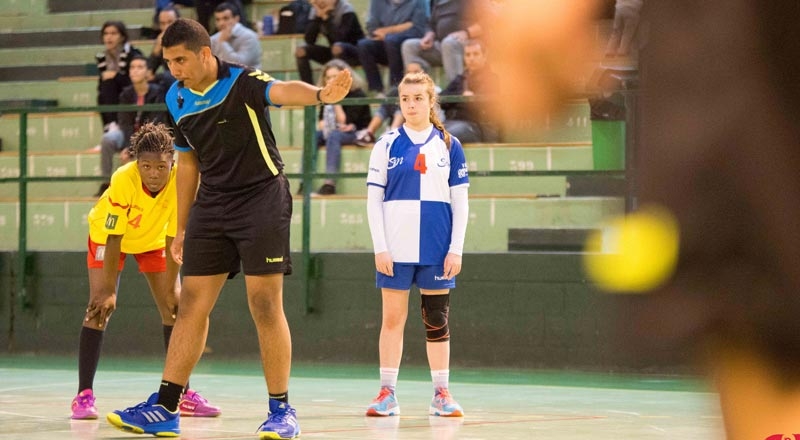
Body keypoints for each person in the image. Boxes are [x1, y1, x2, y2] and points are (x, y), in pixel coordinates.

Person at [106, 18, 352, 439]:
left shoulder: (242, 81)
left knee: (263, 303)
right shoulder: (177, 96)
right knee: (191, 304)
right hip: (213, 204)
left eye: (180, 60)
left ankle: (281, 411)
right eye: (168, 62)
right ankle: (166, 406)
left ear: (205, 54)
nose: (174, 69)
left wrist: (321, 96)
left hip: (261, 198)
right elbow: (187, 162)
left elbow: (281, 91)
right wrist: (181, 227)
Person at [72, 122, 220, 421]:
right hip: (108, 238)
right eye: (146, 166)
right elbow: (114, 236)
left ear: (172, 163)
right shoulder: (123, 179)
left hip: (153, 240)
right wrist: (111, 290)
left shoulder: (184, 180)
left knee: (175, 307)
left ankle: (182, 394)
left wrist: (171, 290)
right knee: (99, 306)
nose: (153, 173)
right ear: (136, 163)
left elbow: (174, 235)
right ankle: (84, 396)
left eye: (161, 166)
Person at [364, 71, 470, 418]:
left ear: (431, 101)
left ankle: (441, 393)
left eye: (418, 98)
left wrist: (456, 248)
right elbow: (373, 201)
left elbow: (461, 202)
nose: (411, 105)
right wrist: (380, 247)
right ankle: (387, 393)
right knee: (392, 319)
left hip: (437, 249)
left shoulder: (450, 145)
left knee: (436, 320)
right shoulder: (386, 144)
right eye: (405, 99)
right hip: (395, 249)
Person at [95, 55, 168, 196]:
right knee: (108, 139)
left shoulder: (157, 92)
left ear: (147, 72)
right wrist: (128, 146)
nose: (135, 71)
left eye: (140, 67)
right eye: (132, 67)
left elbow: (156, 122)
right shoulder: (126, 94)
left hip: (149, 136)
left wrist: (133, 149)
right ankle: (105, 183)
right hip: (128, 134)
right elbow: (124, 122)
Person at [312, 59, 371, 195]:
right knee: (313, 136)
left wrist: (335, 101)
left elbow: (346, 122)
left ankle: (329, 184)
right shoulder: (325, 96)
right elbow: (321, 123)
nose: (331, 80)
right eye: (328, 78)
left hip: (357, 132)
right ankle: (305, 182)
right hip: (335, 130)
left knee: (334, 136)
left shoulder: (358, 94)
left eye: (335, 77)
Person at [400, 0, 489, 85]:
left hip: (469, 45)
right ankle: (420, 88)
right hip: (442, 44)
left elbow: (488, 21)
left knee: (449, 43)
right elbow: (431, 24)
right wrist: (429, 35)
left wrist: (467, 32)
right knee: (409, 46)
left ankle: (456, 91)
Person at [357, 0, 428, 95]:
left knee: (391, 41)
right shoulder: (376, 2)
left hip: (406, 43)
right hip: (384, 43)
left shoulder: (419, 2)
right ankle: (376, 90)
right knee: (363, 45)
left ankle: (394, 88)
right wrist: (404, 26)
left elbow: (418, 28)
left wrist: (388, 32)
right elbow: (372, 28)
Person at [439, 39, 499, 144]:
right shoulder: (460, 78)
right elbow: (441, 99)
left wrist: (461, 101)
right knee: (427, 134)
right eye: (468, 55)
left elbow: (482, 107)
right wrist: (462, 96)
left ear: (484, 56)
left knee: (443, 136)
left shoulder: (491, 79)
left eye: (476, 54)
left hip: (474, 127)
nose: (471, 58)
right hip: (451, 122)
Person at [295, 0, 364, 85]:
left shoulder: (346, 9)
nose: (320, 2)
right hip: (334, 52)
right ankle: (308, 89)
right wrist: (317, 17)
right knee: (301, 52)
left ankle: (340, 87)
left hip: (355, 52)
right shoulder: (316, 10)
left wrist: (326, 18)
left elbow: (339, 38)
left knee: (337, 48)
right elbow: (309, 40)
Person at [95, 21, 143, 128]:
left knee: (109, 83)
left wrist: (116, 76)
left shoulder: (133, 54)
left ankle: (113, 125)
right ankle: (110, 126)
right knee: (105, 88)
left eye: (113, 33)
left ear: (122, 37)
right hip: (112, 94)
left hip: (134, 91)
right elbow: (101, 85)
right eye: (106, 34)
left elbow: (136, 80)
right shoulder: (102, 57)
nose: (109, 37)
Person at [210, 1, 262, 69]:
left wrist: (223, 43)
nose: (221, 23)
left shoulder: (250, 37)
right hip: (223, 78)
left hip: (248, 78)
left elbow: (240, 65)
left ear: (236, 19)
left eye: (226, 18)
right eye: (218, 19)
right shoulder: (213, 39)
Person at [147, 6, 180, 91]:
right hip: (169, 81)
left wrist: (157, 77)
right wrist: (156, 49)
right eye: (162, 23)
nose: (166, 27)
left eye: (170, 22)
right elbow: (148, 73)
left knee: (167, 77)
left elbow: (181, 70)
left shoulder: (189, 39)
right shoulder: (162, 42)